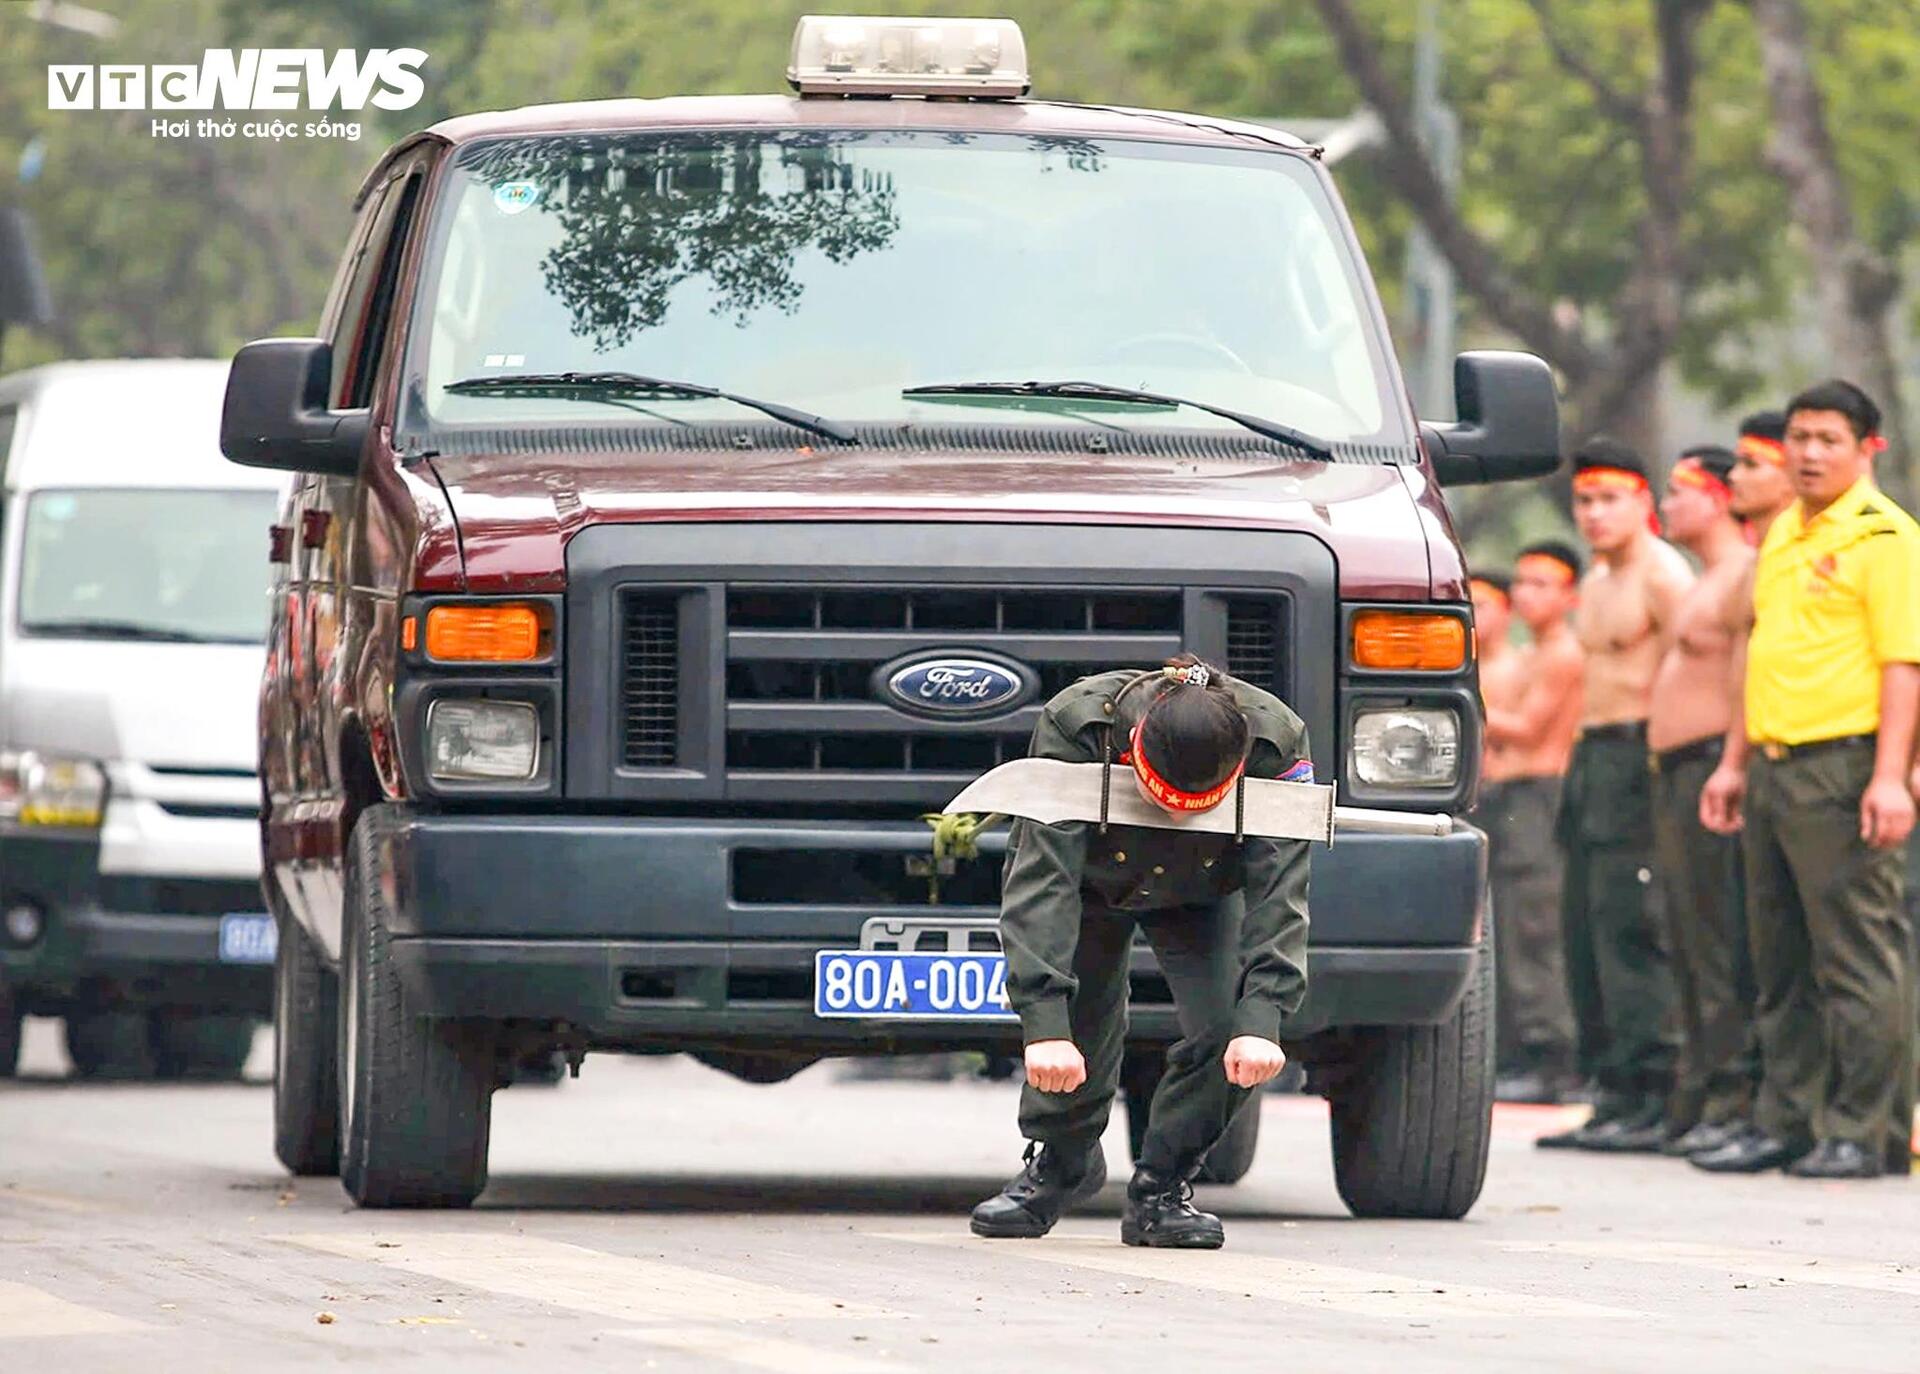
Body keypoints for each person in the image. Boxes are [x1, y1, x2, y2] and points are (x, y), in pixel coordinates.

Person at [971, 655, 1309, 1248]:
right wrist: (1044, 1024)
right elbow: (1041, 880)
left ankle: (1162, 1188)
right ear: (1133, 748)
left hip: (1203, 886)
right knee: (1079, 1029)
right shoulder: (1079, 726)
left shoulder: (1274, 742)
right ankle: (1062, 1162)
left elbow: (1281, 889)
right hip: (1091, 877)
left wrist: (1264, 1016)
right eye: (1165, 798)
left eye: (1194, 804)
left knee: (1230, 1030)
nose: (1176, 814)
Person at [1695, 381, 1920, 1179]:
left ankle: (1863, 1129)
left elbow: (1903, 665)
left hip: (1843, 765)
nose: (1810, 453)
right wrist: (1733, 763)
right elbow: (1761, 656)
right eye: (1799, 437)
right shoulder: (1785, 531)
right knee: (1779, 958)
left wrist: (1890, 777)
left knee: (1855, 957)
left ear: (1868, 449)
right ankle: (1786, 1120)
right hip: (1772, 764)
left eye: (1829, 440)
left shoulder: (1885, 536)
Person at [1537, 438, 1691, 1152]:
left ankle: (1653, 1092)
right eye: (1585, 501)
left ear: (1642, 502)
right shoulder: (1597, 581)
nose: (1595, 514)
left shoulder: (1664, 575)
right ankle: (1611, 1089)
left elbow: (1697, 673)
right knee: (1585, 931)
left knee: (1632, 927)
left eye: (1610, 500)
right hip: (1591, 758)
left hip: (1641, 756)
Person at [1646, 444, 1759, 1157]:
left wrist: (1733, 763)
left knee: (1718, 943)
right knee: (1687, 941)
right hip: (1676, 771)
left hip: (1711, 767)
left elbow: (1749, 676)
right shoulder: (1703, 579)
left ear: (1718, 497)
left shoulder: (1745, 571)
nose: (1667, 504)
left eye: (1679, 490)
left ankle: (1733, 1098)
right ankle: (1699, 1094)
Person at [1477, 550, 1584, 1101]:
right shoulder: (1534, 653)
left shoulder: (1562, 653)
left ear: (1570, 597)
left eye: (1542, 584)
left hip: (1538, 794)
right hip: (1510, 795)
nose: (1526, 594)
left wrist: (1464, 702)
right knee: (1510, 927)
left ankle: (1552, 1059)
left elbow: (1528, 729)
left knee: (1533, 927)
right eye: (1522, 582)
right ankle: (1522, 1052)